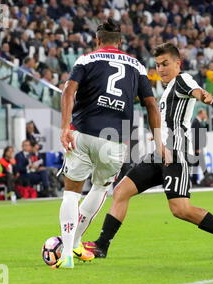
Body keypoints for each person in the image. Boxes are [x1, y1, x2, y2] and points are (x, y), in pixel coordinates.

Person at [83, 43, 213, 259]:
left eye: (165, 64)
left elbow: (196, 91)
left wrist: (204, 96)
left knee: (180, 209)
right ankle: (102, 246)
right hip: (158, 154)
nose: (161, 69)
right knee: (120, 191)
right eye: (157, 65)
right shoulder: (167, 90)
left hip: (175, 154)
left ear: (177, 63)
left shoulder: (182, 80)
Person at [53, 19, 166, 269]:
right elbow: (151, 104)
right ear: (120, 42)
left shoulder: (85, 60)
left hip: (82, 133)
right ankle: (76, 243)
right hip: (115, 139)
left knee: (71, 193)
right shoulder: (136, 65)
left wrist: (64, 127)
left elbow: (68, 91)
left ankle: (67, 254)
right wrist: (159, 141)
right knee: (100, 188)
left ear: (98, 40)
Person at [191, 108, 209, 185]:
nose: (205, 115)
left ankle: (194, 180)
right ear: (201, 113)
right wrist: (197, 148)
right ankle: (208, 179)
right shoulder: (195, 122)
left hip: (199, 147)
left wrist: (205, 122)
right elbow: (195, 136)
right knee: (202, 164)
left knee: (197, 164)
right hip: (198, 148)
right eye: (204, 114)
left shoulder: (198, 122)